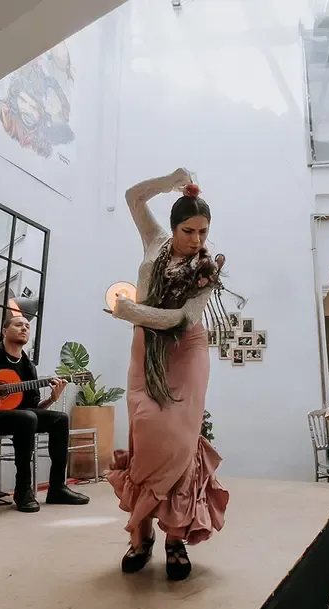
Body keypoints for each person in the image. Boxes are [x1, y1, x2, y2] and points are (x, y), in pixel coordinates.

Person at [106, 168, 229, 582]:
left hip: (186, 350)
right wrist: (170, 180)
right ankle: (140, 536)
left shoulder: (207, 267)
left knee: (178, 440)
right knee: (145, 433)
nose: (197, 239)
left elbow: (182, 318)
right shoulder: (154, 241)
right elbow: (133, 197)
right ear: (174, 226)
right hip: (147, 352)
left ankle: (175, 536)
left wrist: (130, 310)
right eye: (189, 230)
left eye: (203, 231)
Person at [0, 314, 89, 512]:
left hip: (16, 418)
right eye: (19, 325)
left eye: (27, 326)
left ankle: (57, 488)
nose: (24, 328)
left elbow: (35, 409)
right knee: (26, 418)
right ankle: (23, 490)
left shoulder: (28, 367)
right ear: (4, 331)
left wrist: (52, 398)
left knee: (59, 419)